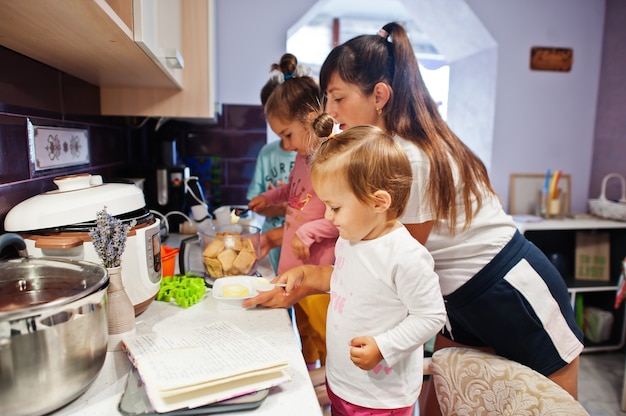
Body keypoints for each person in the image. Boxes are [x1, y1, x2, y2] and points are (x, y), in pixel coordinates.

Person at [244, 22, 584, 414]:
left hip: (507, 287)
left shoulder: (410, 158)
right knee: (443, 398)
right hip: (457, 296)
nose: (330, 111)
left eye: (337, 97)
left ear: (380, 96)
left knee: (554, 404)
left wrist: (312, 282)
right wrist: (306, 279)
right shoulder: (381, 154)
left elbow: (381, 273)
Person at [277, 120, 446, 415]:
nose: (328, 217)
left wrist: (384, 347)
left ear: (378, 202)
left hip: (381, 398)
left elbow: (431, 316)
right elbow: (348, 281)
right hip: (344, 383)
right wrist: (307, 274)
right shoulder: (350, 238)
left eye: (336, 207)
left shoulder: (405, 255)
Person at [248, 53, 339, 370]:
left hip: (317, 269)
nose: (285, 145)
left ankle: (331, 386)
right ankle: (309, 376)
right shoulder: (303, 158)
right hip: (294, 262)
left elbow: (340, 220)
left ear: (312, 118)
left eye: (287, 135)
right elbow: (293, 191)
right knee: (304, 331)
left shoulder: (332, 161)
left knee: (326, 335)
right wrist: (268, 196)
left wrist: (307, 232)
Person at [247, 73, 297, 274]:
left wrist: (287, 207)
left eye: (288, 134)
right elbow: (257, 201)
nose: (287, 143)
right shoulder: (267, 153)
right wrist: (271, 203)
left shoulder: (310, 159)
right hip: (274, 243)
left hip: (301, 243)